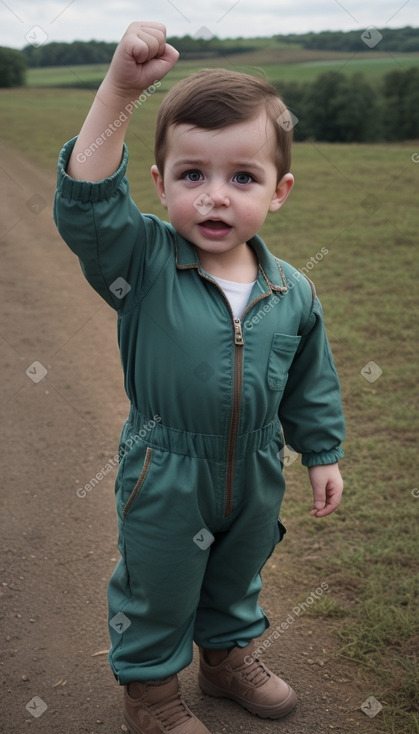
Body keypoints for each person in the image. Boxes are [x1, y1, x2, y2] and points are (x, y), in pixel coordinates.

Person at [53, 21, 345, 734]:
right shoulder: (143, 262)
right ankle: (150, 696)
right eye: (193, 175)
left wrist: (323, 450)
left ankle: (225, 657)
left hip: (253, 465)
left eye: (241, 177)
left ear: (278, 190)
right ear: (160, 183)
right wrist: (122, 89)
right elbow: (87, 202)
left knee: (238, 570)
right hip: (165, 467)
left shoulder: (292, 291)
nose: (215, 196)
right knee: (158, 583)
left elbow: (310, 379)